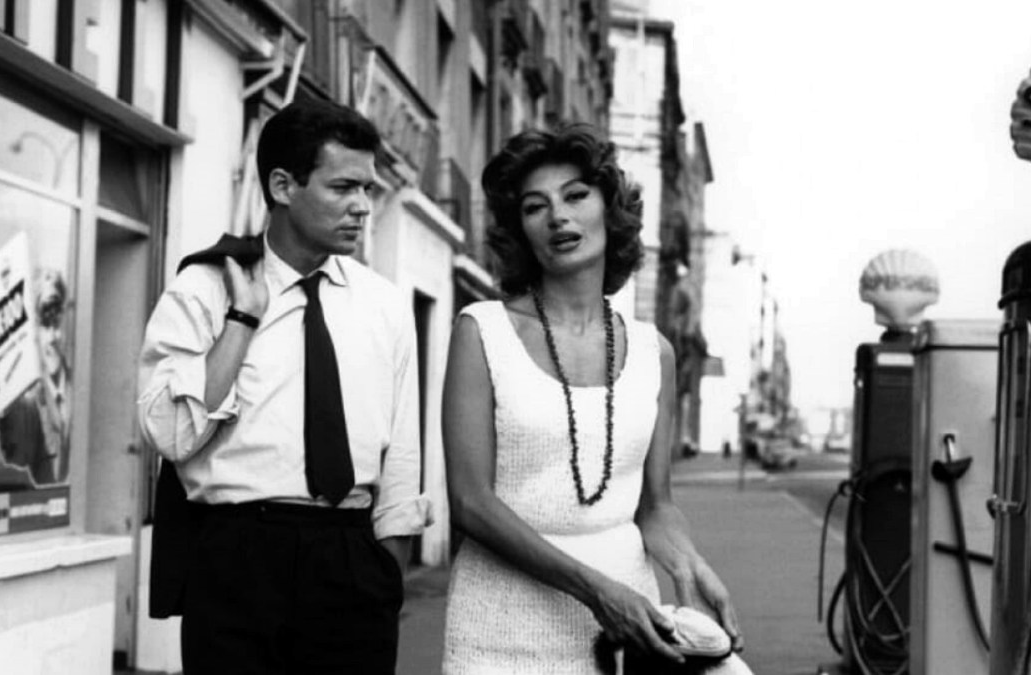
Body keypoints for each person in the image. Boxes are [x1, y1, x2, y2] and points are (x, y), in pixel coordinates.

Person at [137, 97, 430, 674]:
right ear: (282, 186)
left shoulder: (385, 305)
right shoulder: (204, 289)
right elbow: (169, 436)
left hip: (351, 561)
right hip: (238, 557)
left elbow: (401, 454)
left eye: (367, 189)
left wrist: (385, 572)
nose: (362, 206)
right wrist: (241, 320)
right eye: (342, 187)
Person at [441, 125, 744, 673]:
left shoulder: (654, 352)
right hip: (500, 626)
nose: (558, 216)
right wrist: (596, 591)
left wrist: (688, 565)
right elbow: (469, 502)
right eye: (536, 207)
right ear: (521, 229)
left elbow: (654, 506)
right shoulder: (481, 331)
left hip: (627, 628)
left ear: (610, 209)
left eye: (576, 196)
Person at [0, 267, 71, 486]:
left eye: (57, 318)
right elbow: (17, 448)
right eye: (43, 322)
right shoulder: (30, 402)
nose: (53, 336)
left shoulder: (82, 385)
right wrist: (1, 406)